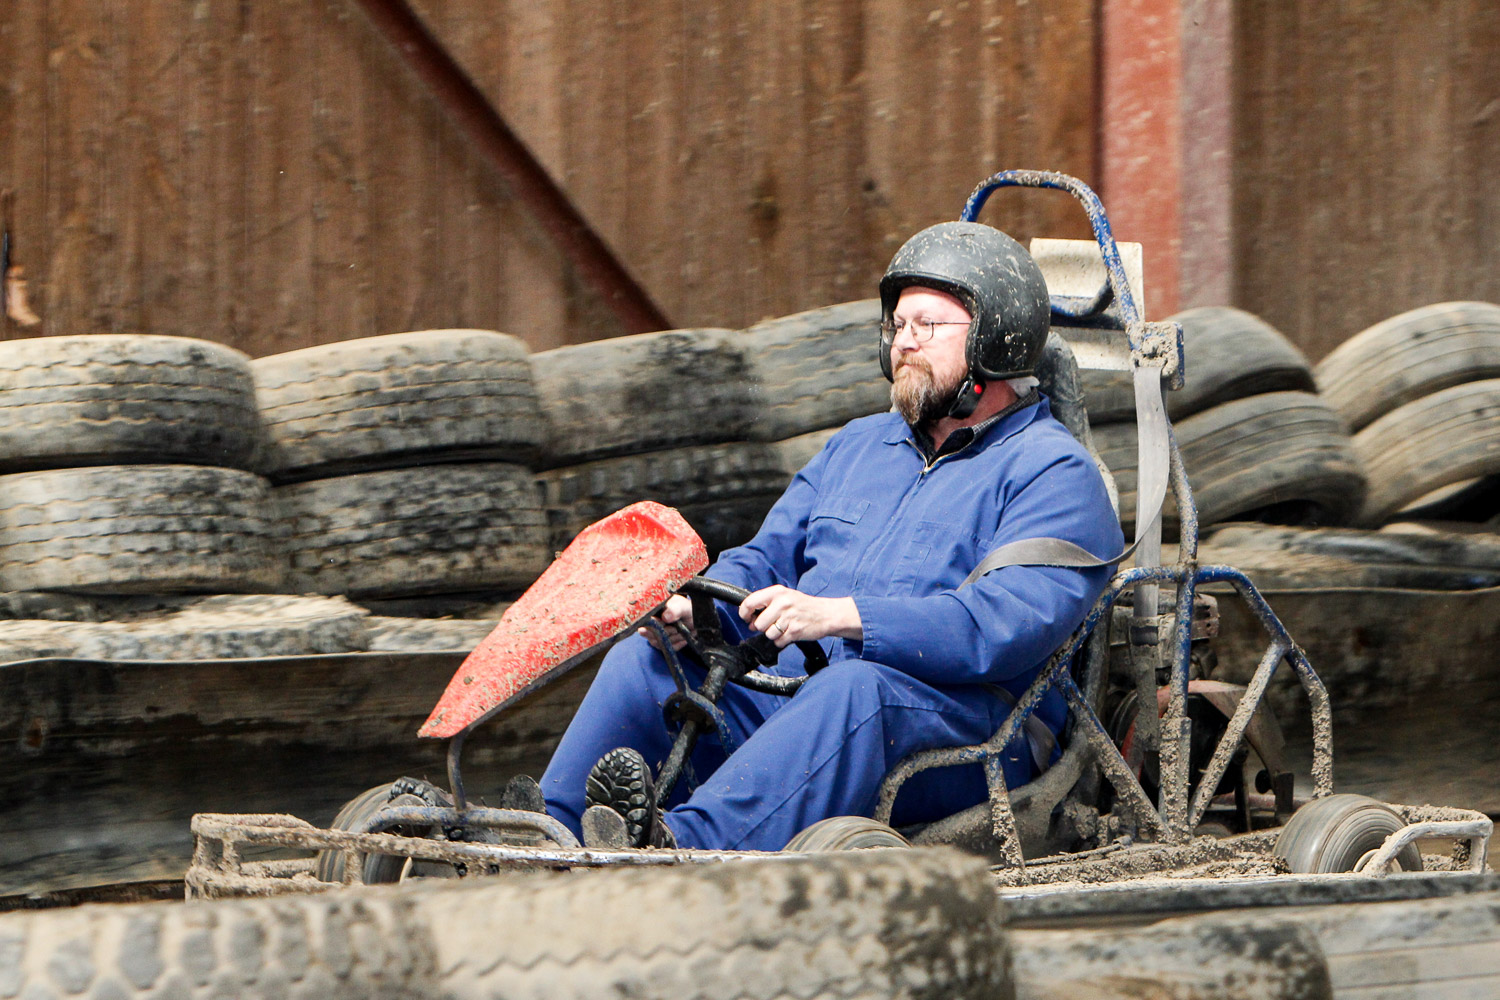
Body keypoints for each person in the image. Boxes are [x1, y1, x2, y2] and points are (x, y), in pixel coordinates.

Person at [538, 220, 1124, 851]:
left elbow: (1001, 625)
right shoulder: (859, 445)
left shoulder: (1056, 473)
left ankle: (679, 850)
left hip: (970, 731)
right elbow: (765, 558)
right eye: (898, 324)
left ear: (997, 339)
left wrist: (845, 616)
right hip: (807, 703)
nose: (904, 341)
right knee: (648, 662)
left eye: (928, 325)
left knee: (855, 689)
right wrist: (699, 612)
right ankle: (546, 835)